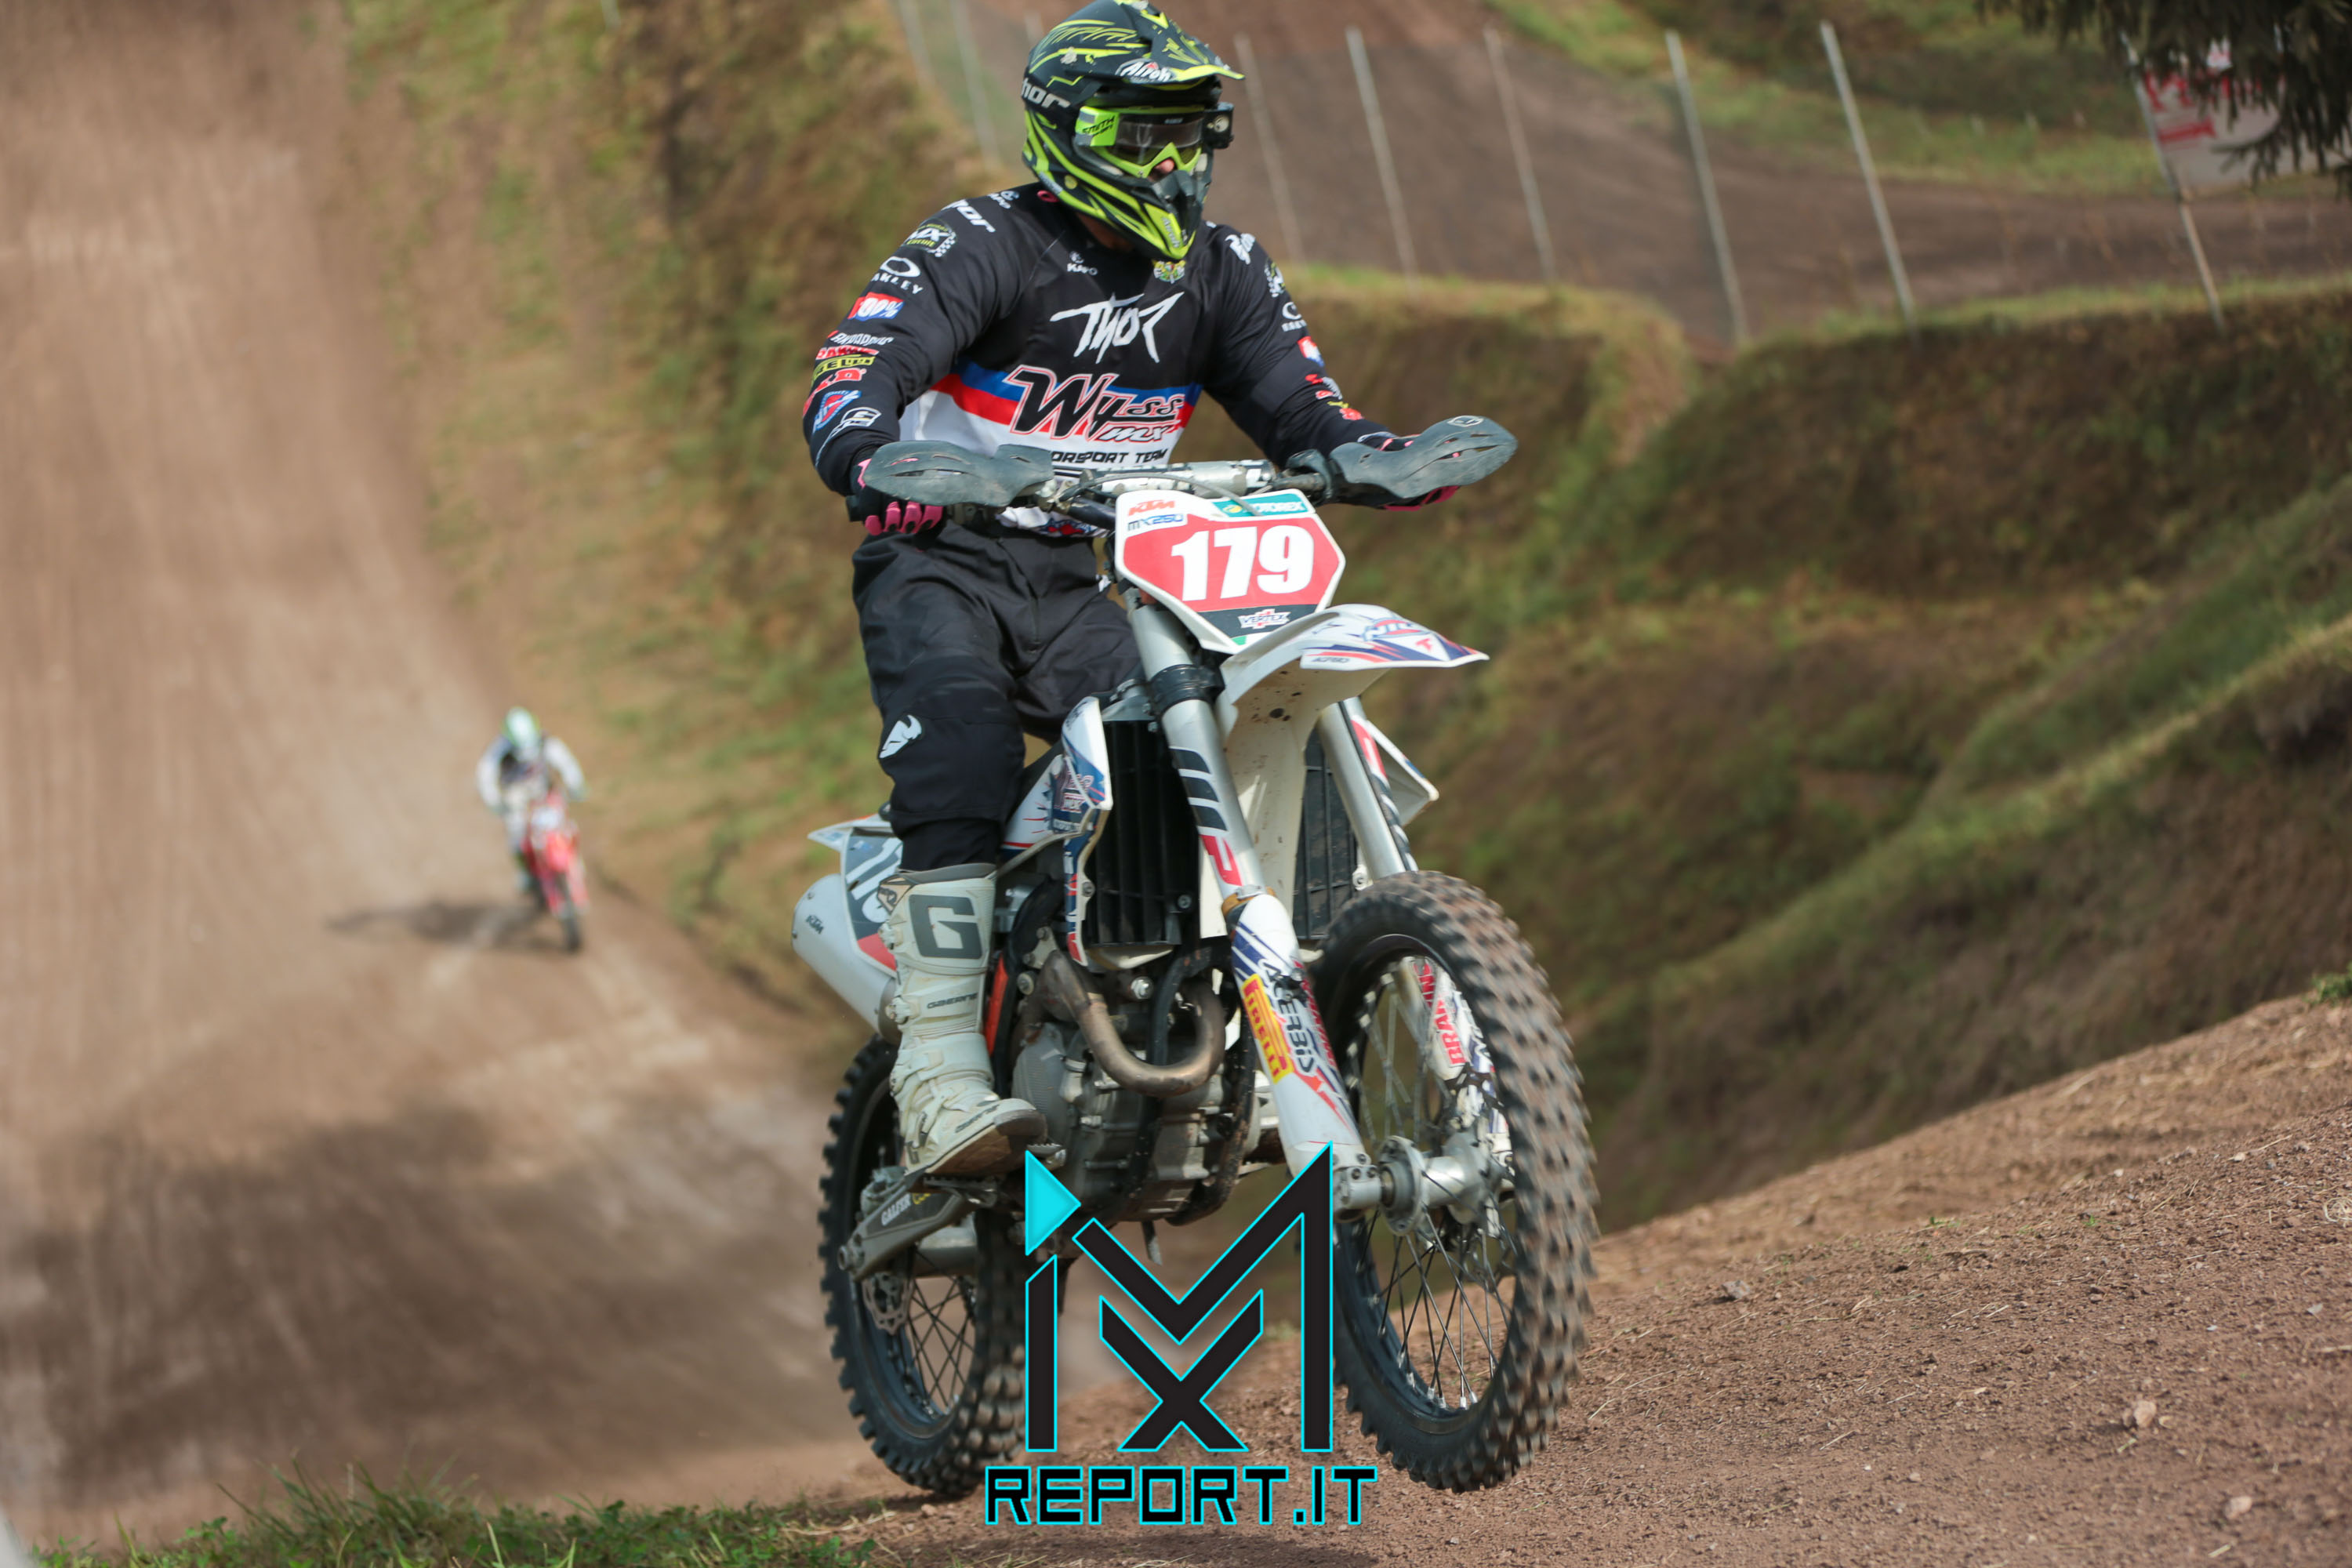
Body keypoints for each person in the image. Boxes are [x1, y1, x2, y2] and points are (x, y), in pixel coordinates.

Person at [803, 0, 1470, 1178]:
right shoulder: (982, 243)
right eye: (1145, 131)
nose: (1174, 159)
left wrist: (1374, 456)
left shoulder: (1221, 270)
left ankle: (1238, 1022)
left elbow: (1303, 409)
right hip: (943, 560)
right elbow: (858, 368)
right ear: (1071, 131)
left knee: (1201, 741)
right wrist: (868, 453)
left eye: (1192, 132)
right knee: (960, 746)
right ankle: (941, 1072)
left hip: (1093, 581)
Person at [476, 706, 586, 895]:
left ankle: (572, 861)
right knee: (516, 832)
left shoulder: (545, 742)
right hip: (515, 795)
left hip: (542, 790)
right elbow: (485, 775)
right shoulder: (498, 751)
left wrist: (576, 784)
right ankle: (525, 872)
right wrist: (494, 801)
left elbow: (565, 762)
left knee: (564, 825)